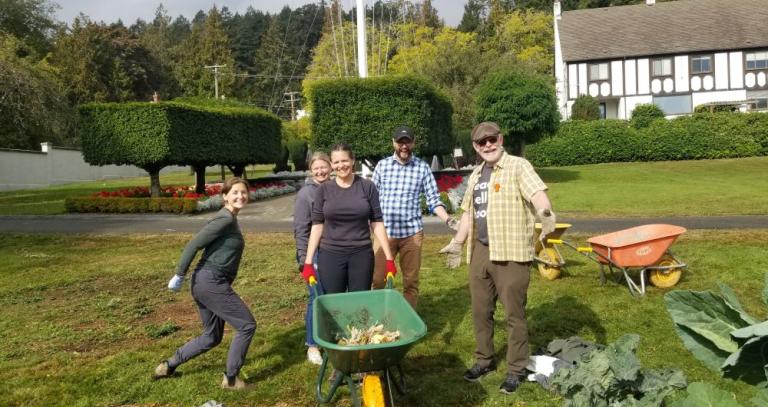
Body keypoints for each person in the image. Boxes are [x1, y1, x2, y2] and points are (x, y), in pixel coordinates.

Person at [439, 122, 556, 395]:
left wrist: (545, 212)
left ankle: (515, 369)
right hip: (480, 251)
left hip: (511, 253)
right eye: (482, 143)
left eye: (492, 140)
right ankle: (484, 360)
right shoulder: (477, 173)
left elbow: (538, 194)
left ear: (500, 139)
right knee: (481, 311)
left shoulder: (518, 166)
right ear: (475, 147)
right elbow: (468, 213)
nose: (488, 145)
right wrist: (457, 243)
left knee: (514, 314)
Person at [154, 177, 256, 390]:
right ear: (225, 196)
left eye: (243, 192)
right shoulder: (225, 219)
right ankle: (230, 379)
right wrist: (179, 274)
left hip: (205, 282)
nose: (240, 196)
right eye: (235, 192)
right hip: (211, 282)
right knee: (246, 325)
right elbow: (194, 244)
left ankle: (168, 365)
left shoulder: (229, 218)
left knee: (212, 337)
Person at [371, 126, 457, 309]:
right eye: (400, 142)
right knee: (377, 278)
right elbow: (371, 198)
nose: (404, 146)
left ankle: (407, 320)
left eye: (407, 142)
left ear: (413, 143)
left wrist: (448, 219)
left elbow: (434, 199)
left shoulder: (422, 167)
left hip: (412, 235)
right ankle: (377, 314)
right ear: (393, 143)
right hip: (385, 233)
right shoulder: (382, 166)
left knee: (410, 281)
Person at [301, 143, 397, 295]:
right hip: (330, 255)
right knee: (334, 305)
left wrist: (389, 259)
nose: (341, 165)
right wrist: (308, 262)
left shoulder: (367, 186)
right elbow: (317, 226)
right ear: (332, 164)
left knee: (359, 304)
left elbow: (377, 223)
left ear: (353, 161)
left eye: (345, 160)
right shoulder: (324, 190)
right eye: (336, 162)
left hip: (361, 255)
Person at [293, 151, 332, 365]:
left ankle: (327, 337)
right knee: (316, 297)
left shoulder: (335, 189)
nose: (320, 171)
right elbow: (300, 229)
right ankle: (312, 345)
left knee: (331, 296)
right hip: (313, 253)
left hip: (334, 251)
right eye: (316, 168)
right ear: (311, 170)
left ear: (330, 167)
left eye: (323, 166)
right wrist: (303, 260)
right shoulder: (306, 194)